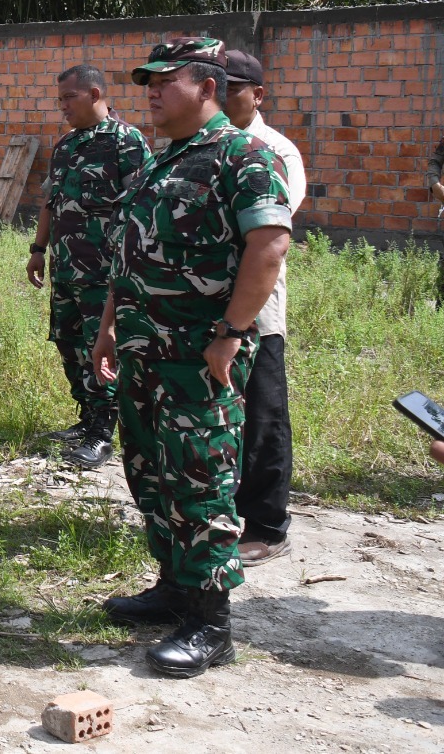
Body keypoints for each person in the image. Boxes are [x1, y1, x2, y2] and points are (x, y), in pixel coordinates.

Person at [91, 37, 291, 679]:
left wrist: (232, 333)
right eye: (146, 80)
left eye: (164, 79)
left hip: (198, 359)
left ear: (207, 86)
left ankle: (212, 622)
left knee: (201, 479)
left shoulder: (244, 156)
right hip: (144, 351)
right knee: (151, 471)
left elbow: (267, 245)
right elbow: (132, 257)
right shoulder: (161, 159)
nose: (150, 90)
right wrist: (107, 329)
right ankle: (175, 588)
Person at [26, 65, 151, 469]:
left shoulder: (126, 142)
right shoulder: (65, 145)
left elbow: (140, 210)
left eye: (68, 98)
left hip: (104, 274)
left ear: (95, 94)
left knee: (100, 349)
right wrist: (38, 249)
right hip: (65, 269)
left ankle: (102, 433)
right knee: (68, 342)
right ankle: (86, 418)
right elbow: (51, 202)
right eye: (59, 99)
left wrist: (127, 267)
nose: (61, 106)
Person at [219, 49, 306, 566]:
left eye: (234, 88)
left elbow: (270, 225)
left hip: (256, 309)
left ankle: (269, 525)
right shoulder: (200, 146)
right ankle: (220, 510)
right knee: (216, 413)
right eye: (218, 85)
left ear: (258, 95)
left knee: (264, 416)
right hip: (203, 306)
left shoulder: (275, 151)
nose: (225, 95)